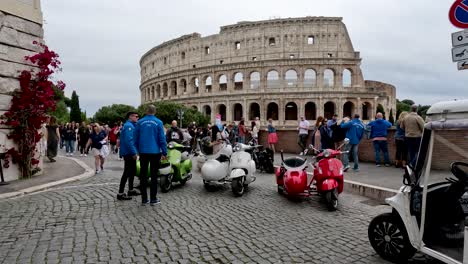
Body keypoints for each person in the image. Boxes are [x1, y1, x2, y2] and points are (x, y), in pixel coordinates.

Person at [135, 105, 167, 206]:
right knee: (154, 176)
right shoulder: (158, 122)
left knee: (143, 176)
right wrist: (165, 152)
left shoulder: (139, 122)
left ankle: (144, 199)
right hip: (155, 152)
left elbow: (135, 138)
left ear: (146, 111)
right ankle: (153, 199)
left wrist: (137, 151)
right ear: (155, 112)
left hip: (143, 152)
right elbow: (162, 139)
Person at [117, 111, 140, 201]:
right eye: (136, 116)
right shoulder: (129, 126)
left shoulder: (131, 125)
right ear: (130, 117)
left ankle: (131, 189)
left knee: (132, 171)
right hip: (128, 153)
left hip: (130, 152)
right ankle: (120, 193)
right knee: (126, 173)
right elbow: (129, 141)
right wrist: (134, 153)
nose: (138, 118)